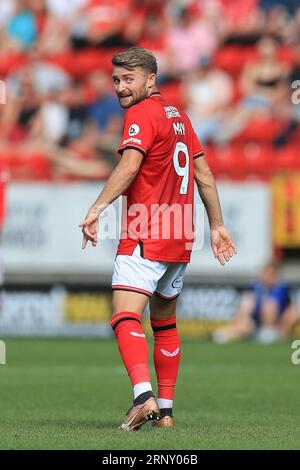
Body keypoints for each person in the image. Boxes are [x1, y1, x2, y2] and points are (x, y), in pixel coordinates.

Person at [80, 47, 237, 431]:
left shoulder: (142, 113)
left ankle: (142, 397)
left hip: (146, 231)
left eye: (128, 79)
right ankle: (165, 412)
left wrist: (98, 207)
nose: (120, 87)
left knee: (124, 316)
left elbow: (130, 164)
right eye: (116, 79)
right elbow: (204, 175)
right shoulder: (180, 117)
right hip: (181, 236)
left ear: (151, 79)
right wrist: (216, 224)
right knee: (165, 322)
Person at [212, 260, 298, 345]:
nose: (267, 276)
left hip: (277, 322)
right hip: (256, 320)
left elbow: (286, 308)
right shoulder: (256, 286)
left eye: (270, 274)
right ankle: (232, 331)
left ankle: (269, 332)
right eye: (266, 273)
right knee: (247, 302)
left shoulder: (281, 287)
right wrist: (242, 319)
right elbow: (247, 305)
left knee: (269, 305)